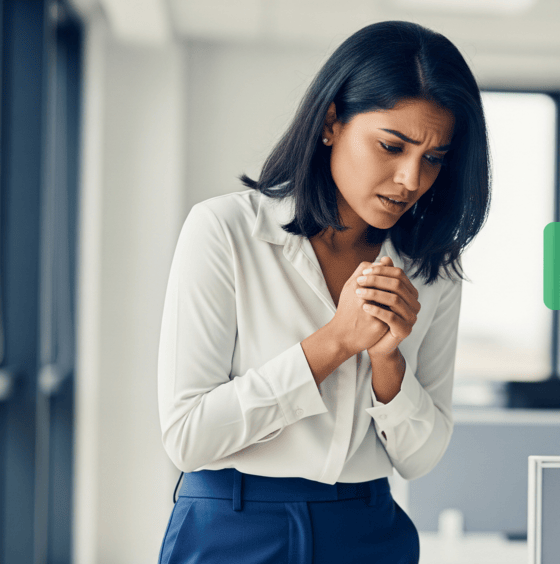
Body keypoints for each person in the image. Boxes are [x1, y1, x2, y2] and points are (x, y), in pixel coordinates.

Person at [156, 20, 490, 563]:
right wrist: (334, 342)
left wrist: (388, 364)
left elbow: (420, 458)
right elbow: (188, 436)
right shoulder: (226, 231)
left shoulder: (432, 269)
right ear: (332, 122)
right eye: (392, 146)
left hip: (368, 528)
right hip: (235, 526)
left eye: (433, 158)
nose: (411, 179)